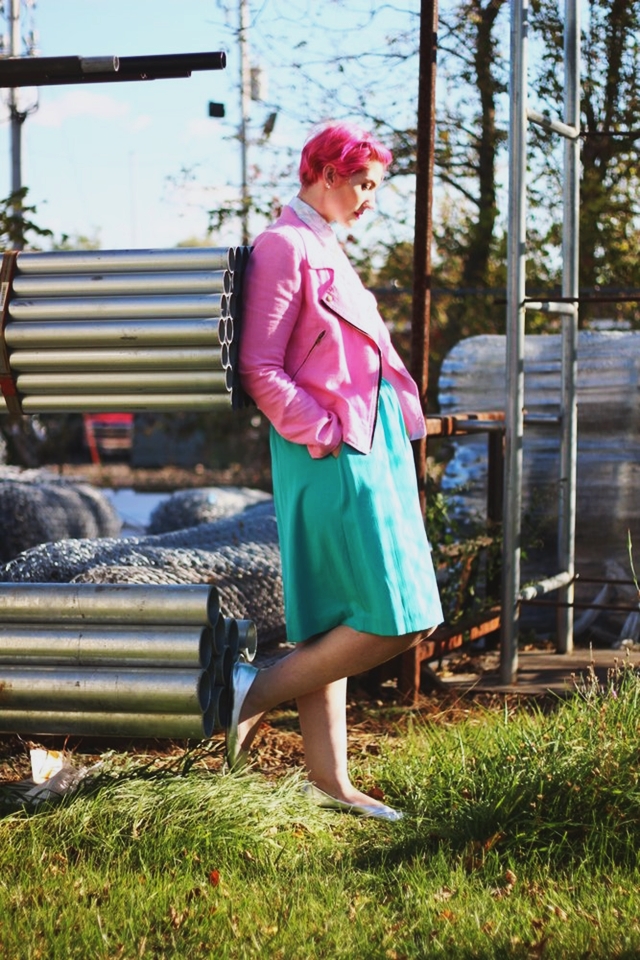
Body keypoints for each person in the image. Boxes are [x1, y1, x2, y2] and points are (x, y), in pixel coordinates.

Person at [230, 121, 443, 821]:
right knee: (396, 618)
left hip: (366, 442)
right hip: (334, 450)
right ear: (324, 173)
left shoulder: (324, 243)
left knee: (335, 619)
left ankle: (332, 785)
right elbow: (260, 364)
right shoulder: (282, 245)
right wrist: (323, 435)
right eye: (364, 184)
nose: (370, 200)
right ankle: (250, 691)